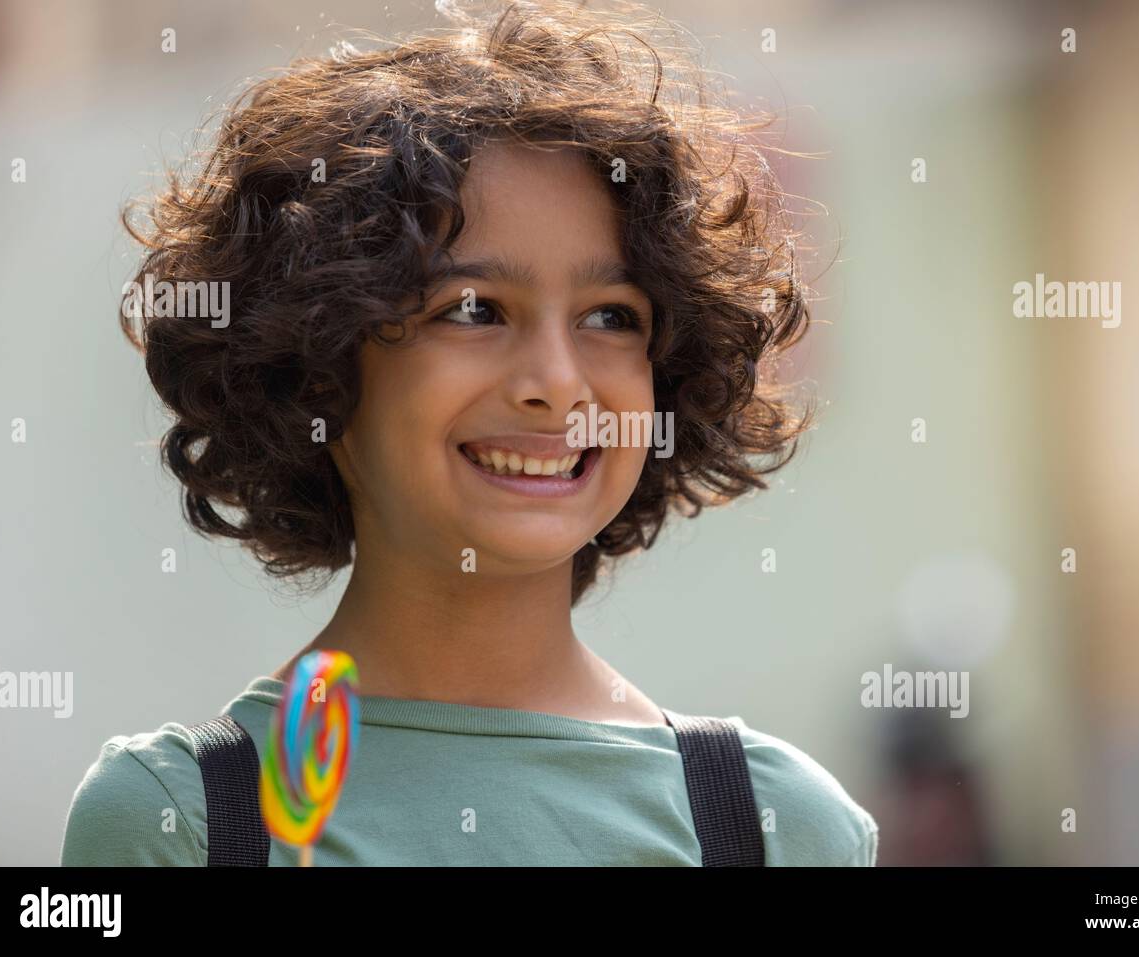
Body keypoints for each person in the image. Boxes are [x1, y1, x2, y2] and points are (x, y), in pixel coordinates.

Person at [61, 0, 877, 866]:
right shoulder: (177, 820)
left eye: (611, 315)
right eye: (475, 309)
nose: (558, 383)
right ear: (320, 366)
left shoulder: (779, 826)